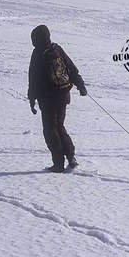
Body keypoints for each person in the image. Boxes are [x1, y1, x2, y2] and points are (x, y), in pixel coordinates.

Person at [27, 25, 87, 173]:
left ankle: (58, 164)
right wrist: (80, 85)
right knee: (59, 126)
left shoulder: (38, 54)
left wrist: (32, 99)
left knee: (50, 130)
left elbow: (33, 79)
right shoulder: (57, 49)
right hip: (63, 95)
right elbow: (71, 68)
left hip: (48, 99)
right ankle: (71, 157)